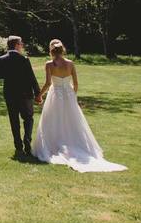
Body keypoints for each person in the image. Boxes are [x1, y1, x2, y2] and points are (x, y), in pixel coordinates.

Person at [32, 39, 127, 172]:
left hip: (55, 95)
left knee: (53, 119)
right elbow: (76, 83)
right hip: (68, 94)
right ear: (63, 50)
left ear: (51, 51)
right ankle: (71, 143)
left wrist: (39, 95)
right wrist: (72, 96)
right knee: (72, 121)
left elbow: (48, 83)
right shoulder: (70, 63)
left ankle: (54, 144)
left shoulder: (49, 64)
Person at [0, 35, 42, 157]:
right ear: (16, 45)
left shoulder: (1, 59)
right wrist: (38, 94)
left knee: (14, 119)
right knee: (28, 118)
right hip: (25, 94)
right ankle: (27, 139)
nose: (22, 45)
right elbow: (32, 78)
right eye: (21, 43)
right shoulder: (24, 59)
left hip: (10, 94)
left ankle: (18, 145)